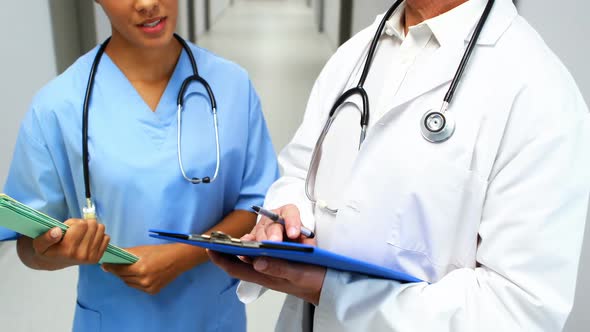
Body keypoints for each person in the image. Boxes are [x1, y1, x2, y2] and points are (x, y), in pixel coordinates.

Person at [209, 0, 590, 331]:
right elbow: (298, 171)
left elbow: (519, 313)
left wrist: (331, 290)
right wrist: (287, 217)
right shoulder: (358, 53)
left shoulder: (540, 93)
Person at [0, 0, 278, 331]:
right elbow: (28, 246)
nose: (147, 3)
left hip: (210, 316)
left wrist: (180, 257)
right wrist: (60, 252)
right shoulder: (58, 106)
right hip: (115, 318)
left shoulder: (232, 85)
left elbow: (258, 205)